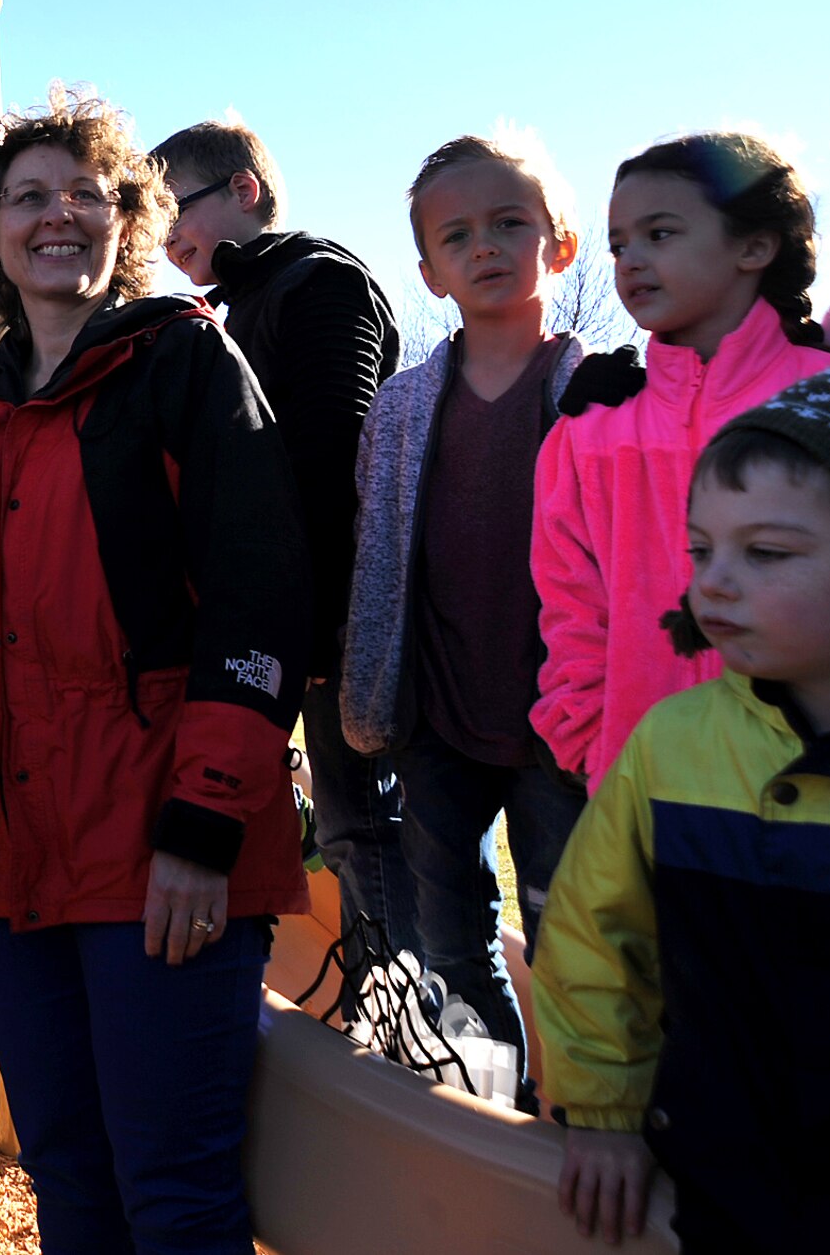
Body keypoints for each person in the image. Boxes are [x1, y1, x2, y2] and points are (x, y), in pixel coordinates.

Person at [0, 91, 311, 1254]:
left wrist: (202, 828)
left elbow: (257, 593)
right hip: (5, 857)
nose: (55, 215)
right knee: (66, 1173)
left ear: (128, 223)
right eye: (26, 196)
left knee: (170, 1190)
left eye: (86, 193)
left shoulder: (184, 365)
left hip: (157, 850)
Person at [534, 369, 830, 1250]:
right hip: (721, 1178)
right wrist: (602, 1110)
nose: (714, 585)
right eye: (702, 550)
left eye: (768, 554)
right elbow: (595, 936)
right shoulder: (671, 746)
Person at [338, 133, 588, 1096]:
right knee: (451, 941)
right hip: (439, 717)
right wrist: (367, 692)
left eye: (509, 224)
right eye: (458, 235)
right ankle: (493, 1113)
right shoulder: (401, 406)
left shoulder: (598, 391)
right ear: (430, 272)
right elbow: (379, 558)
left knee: (574, 942)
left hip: (557, 721)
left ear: (557, 243)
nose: (485, 247)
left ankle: (587, 1127)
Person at [154, 117, 418, 977]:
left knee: (362, 824)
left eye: (174, 207)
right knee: (327, 827)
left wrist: (307, 630)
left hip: (327, 622)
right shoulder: (232, 307)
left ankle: (430, 1048)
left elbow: (332, 457)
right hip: (276, 616)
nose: (165, 236)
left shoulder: (317, 284)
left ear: (244, 191)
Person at [532, 131, 830, 791]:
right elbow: (569, 608)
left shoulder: (827, 402)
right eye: (619, 244)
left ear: (754, 245)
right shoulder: (589, 433)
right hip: (650, 794)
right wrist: (592, 741)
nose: (631, 260)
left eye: (661, 234)